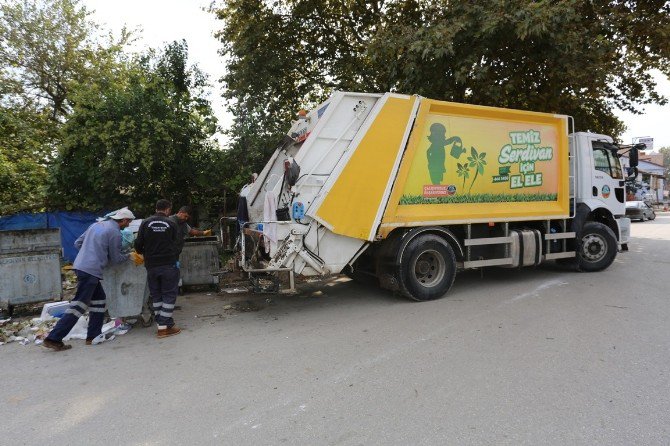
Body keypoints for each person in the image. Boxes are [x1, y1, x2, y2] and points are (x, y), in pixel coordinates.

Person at [43, 208, 136, 351]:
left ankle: (93, 336)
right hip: (90, 271)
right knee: (79, 306)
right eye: (128, 222)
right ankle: (53, 338)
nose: (128, 225)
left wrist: (91, 254)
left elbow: (78, 243)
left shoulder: (96, 225)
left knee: (99, 301)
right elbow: (116, 259)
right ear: (123, 220)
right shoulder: (115, 232)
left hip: (82, 266)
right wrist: (129, 255)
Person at [135, 199, 181, 338]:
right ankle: (163, 326)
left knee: (156, 295)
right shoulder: (171, 223)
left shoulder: (145, 223)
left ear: (156, 208)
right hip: (168, 264)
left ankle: (163, 324)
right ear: (168, 209)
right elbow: (176, 244)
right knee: (169, 294)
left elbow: (138, 244)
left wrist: (147, 252)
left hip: (151, 265)